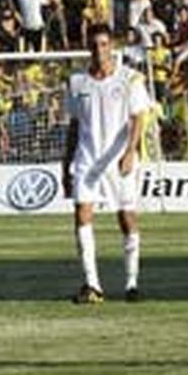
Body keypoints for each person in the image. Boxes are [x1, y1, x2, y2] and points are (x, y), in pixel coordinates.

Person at [64, 22, 153, 304]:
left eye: (103, 44)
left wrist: (130, 151)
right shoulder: (77, 82)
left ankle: (131, 282)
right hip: (87, 159)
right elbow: (74, 125)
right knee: (81, 214)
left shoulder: (130, 79)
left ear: (112, 46)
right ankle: (92, 285)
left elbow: (139, 117)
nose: (98, 50)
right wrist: (66, 162)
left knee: (126, 219)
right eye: (94, 45)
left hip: (118, 162)